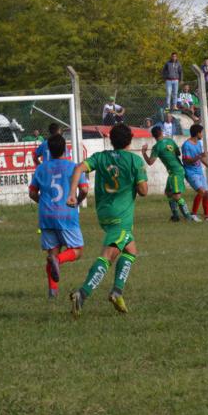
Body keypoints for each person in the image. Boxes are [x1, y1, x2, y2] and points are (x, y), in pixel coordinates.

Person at [67, 123, 148, 316]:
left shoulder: (100, 157)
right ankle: (82, 294)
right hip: (121, 216)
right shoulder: (135, 160)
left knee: (130, 251)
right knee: (107, 257)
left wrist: (72, 193)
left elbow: (78, 168)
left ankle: (117, 291)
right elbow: (144, 191)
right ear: (130, 140)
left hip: (104, 214)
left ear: (111, 140)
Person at [29, 134, 88, 299]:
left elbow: (32, 193)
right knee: (77, 250)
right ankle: (59, 260)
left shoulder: (41, 168)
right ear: (65, 149)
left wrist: (42, 203)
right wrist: (78, 202)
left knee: (52, 253)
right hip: (67, 214)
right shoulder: (74, 167)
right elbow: (84, 189)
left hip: (46, 215)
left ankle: (53, 293)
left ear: (49, 149)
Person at [143, 125, 198, 223]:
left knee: (176, 196)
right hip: (176, 171)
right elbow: (178, 153)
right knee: (168, 193)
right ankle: (175, 216)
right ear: (161, 132)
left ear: (153, 136)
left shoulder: (157, 147)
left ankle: (188, 217)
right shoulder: (170, 141)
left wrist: (144, 152)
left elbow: (150, 162)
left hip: (175, 172)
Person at [182, 123, 208, 220]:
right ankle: (193, 214)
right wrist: (200, 156)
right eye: (201, 133)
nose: (202, 134)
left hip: (199, 172)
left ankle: (207, 216)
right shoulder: (186, 145)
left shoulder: (198, 143)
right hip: (191, 172)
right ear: (197, 133)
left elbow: (200, 158)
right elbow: (186, 161)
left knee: (206, 193)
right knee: (201, 191)